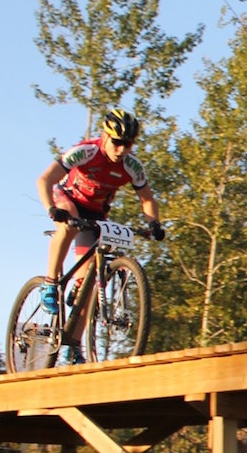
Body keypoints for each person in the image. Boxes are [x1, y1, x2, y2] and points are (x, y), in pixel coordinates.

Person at [35, 109, 165, 339]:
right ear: (105, 136)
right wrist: (51, 209)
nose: (122, 149)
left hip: (96, 214)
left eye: (128, 144)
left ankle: (73, 346)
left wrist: (154, 223)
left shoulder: (132, 166)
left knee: (88, 287)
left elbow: (147, 199)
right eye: (117, 142)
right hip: (68, 199)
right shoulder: (85, 152)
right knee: (68, 223)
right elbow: (45, 179)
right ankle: (50, 282)